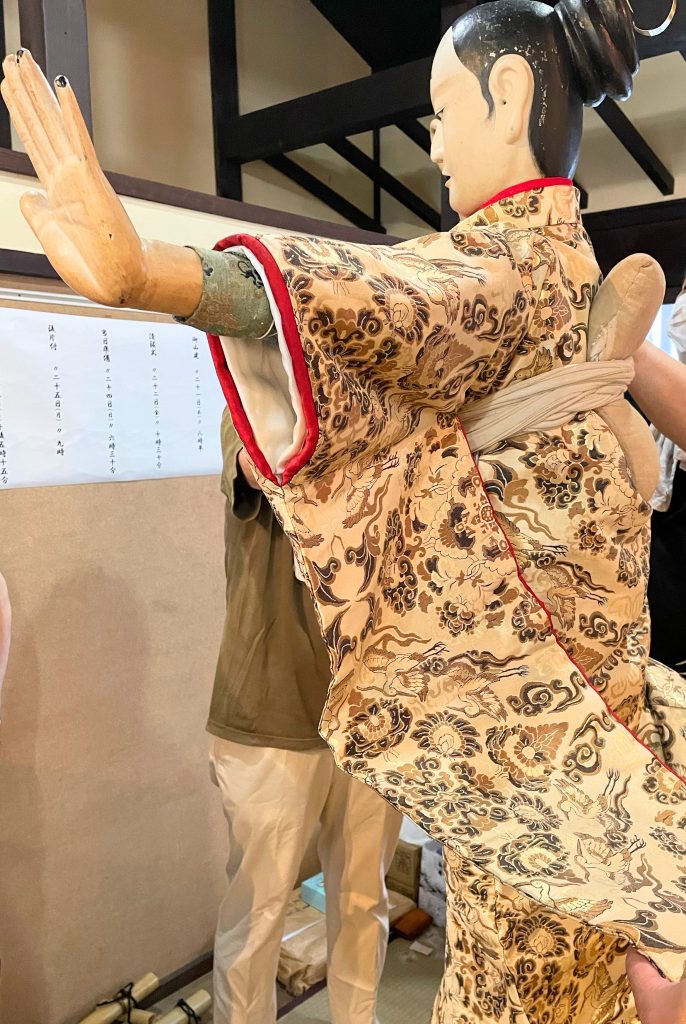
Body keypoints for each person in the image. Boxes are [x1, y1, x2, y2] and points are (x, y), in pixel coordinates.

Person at [3, 2, 686, 1021]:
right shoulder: (563, 265)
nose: (433, 141)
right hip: (560, 681)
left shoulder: (502, 261)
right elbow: (370, 318)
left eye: (443, 110)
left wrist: (153, 273)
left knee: (514, 959)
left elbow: (363, 297)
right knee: (553, 945)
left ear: (507, 97)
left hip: (536, 709)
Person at [208, 412, 401, 1024]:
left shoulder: (398, 398)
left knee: (363, 898)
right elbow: (260, 465)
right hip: (269, 701)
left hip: (375, 705)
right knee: (258, 910)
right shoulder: (256, 394)